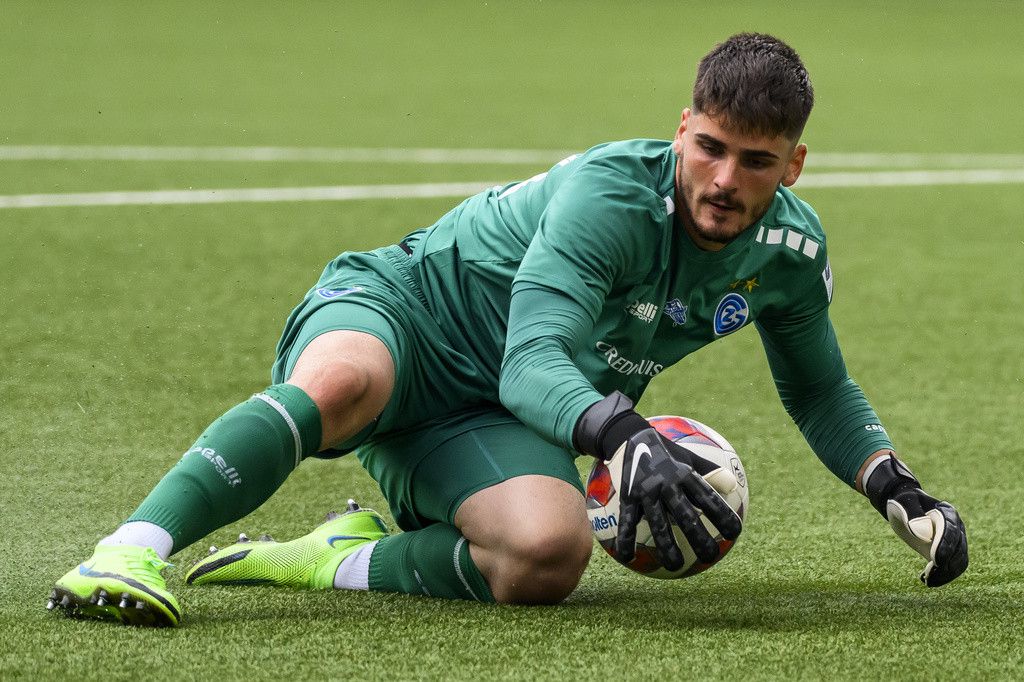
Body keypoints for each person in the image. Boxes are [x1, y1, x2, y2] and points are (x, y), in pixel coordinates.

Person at [49, 33, 968, 627]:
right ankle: (128, 551)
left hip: (496, 410)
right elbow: (533, 357)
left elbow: (817, 387)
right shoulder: (611, 196)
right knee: (344, 383)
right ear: (682, 128)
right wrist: (621, 432)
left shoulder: (790, 252)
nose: (725, 180)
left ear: (794, 165)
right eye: (709, 148)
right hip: (406, 315)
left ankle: (335, 558)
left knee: (545, 558)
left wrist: (892, 484)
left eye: (755, 161)